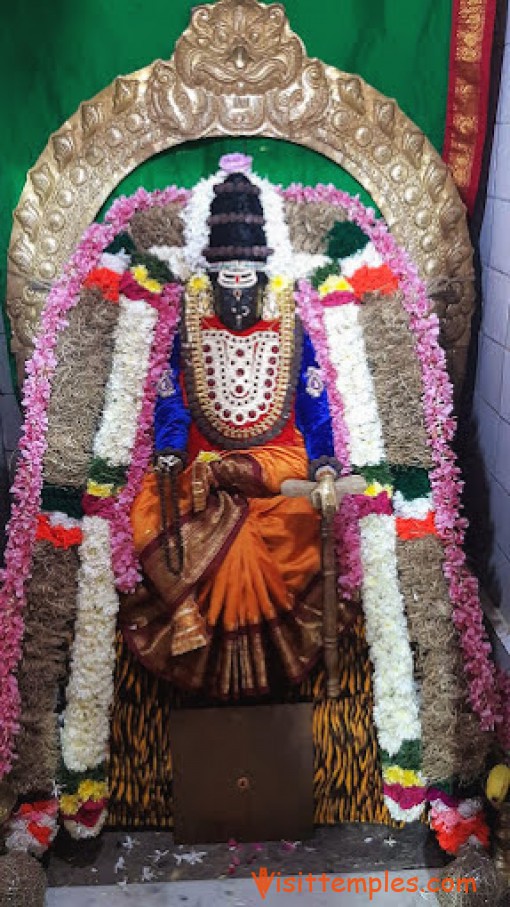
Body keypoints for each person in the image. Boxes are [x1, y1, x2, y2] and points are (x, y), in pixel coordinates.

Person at [119, 159, 359, 699]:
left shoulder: (291, 327)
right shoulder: (190, 324)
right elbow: (173, 399)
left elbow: (314, 404)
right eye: (224, 278)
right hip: (199, 463)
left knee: (291, 516)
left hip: (278, 462)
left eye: (243, 278)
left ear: (261, 276)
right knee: (151, 510)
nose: (235, 291)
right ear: (210, 277)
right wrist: (170, 448)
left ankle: (264, 685)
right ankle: (199, 643)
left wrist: (323, 462)